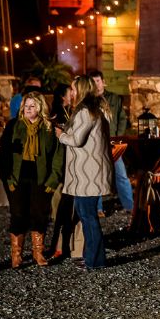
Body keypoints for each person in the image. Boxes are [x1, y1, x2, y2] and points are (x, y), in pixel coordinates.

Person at [55, 75, 113, 270]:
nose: (71, 93)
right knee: (87, 215)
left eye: (73, 88)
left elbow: (77, 140)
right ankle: (91, 257)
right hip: (88, 172)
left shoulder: (85, 112)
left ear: (79, 90)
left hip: (87, 174)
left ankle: (95, 261)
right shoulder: (94, 110)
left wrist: (60, 135)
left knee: (88, 216)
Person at [5, 92, 64, 268]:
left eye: (32, 106)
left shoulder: (48, 128)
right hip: (18, 178)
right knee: (18, 215)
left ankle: (38, 253)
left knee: (39, 215)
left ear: (39, 107)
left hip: (41, 179)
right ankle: (17, 255)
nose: (28, 109)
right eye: (25, 106)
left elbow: (57, 156)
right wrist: (9, 179)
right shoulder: (15, 126)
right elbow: (5, 154)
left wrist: (52, 180)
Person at [88, 70, 132, 214]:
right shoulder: (88, 101)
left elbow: (122, 119)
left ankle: (130, 206)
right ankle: (98, 208)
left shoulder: (114, 98)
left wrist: (118, 137)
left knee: (121, 175)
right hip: (95, 143)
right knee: (96, 176)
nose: (96, 85)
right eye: (92, 82)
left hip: (113, 143)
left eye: (98, 81)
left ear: (103, 81)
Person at [47, 83, 77, 261]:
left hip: (70, 167)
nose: (72, 95)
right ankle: (57, 247)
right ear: (62, 97)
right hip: (61, 168)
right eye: (70, 93)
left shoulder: (70, 113)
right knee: (59, 210)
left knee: (68, 210)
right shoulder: (56, 116)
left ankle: (67, 245)